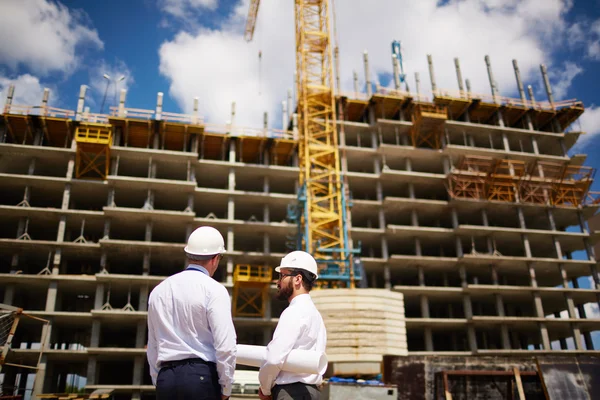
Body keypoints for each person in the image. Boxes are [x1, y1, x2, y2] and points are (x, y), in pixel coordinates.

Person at [147, 226, 236, 400]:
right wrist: (226, 386)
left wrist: (159, 380)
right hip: (200, 378)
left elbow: (153, 345)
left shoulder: (159, 291)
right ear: (216, 258)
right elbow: (225, 346)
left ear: (189, 255)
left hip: (166, 379)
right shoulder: (214, 290)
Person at [258, 251, 327, 400]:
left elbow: (273, 359)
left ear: (297, 279)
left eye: (282, 276)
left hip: (290, 393)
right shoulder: (316, 316)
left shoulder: (294, 312)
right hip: (313, 393)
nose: (278, 282)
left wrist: (265, 388)